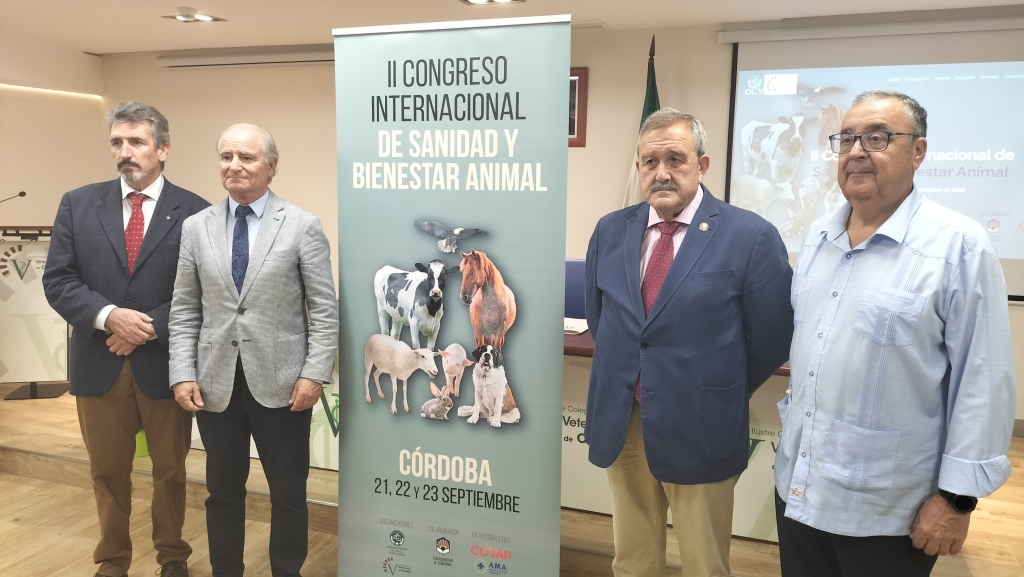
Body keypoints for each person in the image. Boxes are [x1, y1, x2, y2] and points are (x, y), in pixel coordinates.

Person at [774, 90, 1016, 577]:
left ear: (918, 152)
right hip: (799, 488)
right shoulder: (818, 237)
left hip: (889, 513)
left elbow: (983, 383)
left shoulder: (958, 246)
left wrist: (955, 500)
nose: (856, 150)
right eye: (846, 138)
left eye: (877, 137)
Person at [584, 108, 794, 577]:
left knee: (704, 561)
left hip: (701, 422)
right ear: (638, 167)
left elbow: (773, 335)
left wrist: (716, 384)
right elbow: (605, 321)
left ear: (702, 165)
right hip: (624, 419)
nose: (662, 172)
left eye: (675, 159)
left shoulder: (750, 236)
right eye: (649, 161)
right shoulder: (610, 229)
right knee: (633, 557)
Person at [42, 101, 209, 577]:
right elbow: (58, 280)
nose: (124, 152)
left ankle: (173, 556)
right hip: (99, 361)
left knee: (170, 471)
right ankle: (112, 559)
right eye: (117, 142)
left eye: (136, 142)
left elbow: (199, 289)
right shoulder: (77, 203)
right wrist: (110, 316)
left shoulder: (195, 211)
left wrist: (146, 325)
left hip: (165, 367)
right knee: (107, 473)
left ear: (163, 149)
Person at [168, 123, 338, 577]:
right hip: (215, 384)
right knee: (222, 490)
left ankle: (287, 570)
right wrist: (182, 373)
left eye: (245, 157)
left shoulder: (302, 225)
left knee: (287, 493)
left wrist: (314, 374)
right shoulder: (195, 228)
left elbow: (324, 309)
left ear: (271, 166)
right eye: (226, 157)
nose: (234, 166)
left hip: (284, 386)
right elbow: (185, 309)